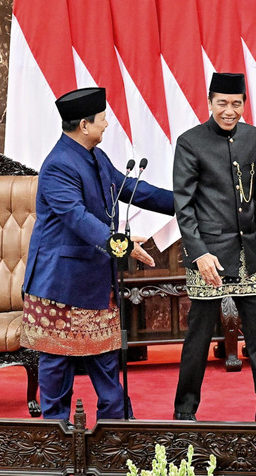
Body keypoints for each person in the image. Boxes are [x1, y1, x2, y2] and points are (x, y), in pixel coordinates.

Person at [21, 87, 174, 422]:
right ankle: (56, 442)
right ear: (84, 125)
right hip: (59, 286)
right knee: (57, 367)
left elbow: (127, 188)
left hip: (94, 281)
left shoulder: (94, 155)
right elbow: (77, 218)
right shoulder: (58, 166)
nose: (107, 125)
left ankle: (115, 435)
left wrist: (184, 202)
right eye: (102, 119)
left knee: (107, 363)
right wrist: (122, 245)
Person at [172, 72, 256, 422]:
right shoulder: (190, 142)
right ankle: (184, 411)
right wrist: (198, 253)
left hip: (249, 252)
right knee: (198, 338)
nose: (230, 111)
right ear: (209, 102)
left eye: (236, 103)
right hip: (208, 256)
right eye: (223, 103)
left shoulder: (253, 137)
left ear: (244, 103)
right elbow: (184, 205)